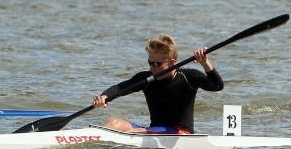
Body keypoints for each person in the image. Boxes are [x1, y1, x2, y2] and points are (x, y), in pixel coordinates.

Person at [91, 34, 223, 134]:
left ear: (172, 62)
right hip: (153, 130)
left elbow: (217, 86)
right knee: (112, 124)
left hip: (180, 132)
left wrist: (205, 63)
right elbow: (120, 88)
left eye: (157, 64)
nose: (152, 68)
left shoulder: (189, 77)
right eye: (150, 63)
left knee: (128, 132)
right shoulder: (147, 79)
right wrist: (104, 97)